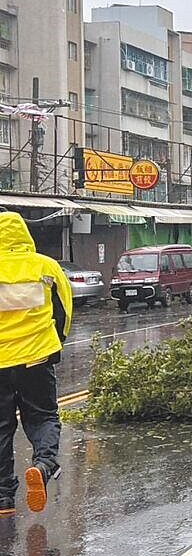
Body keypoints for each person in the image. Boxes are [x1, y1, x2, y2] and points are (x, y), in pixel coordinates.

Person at [0, 213, 73, 516]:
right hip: (36, 358)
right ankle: (42, 465)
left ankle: (4, 498)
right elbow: (64, 309)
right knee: (43, 417)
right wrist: (56, 343)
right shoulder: (45, 266)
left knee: (1, 427)